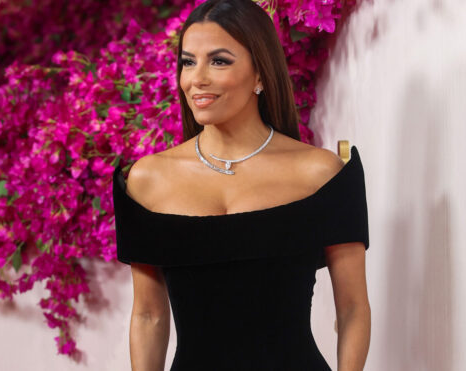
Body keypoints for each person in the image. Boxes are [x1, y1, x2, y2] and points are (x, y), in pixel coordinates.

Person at [112, 0, 371, 369]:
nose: (196, 78)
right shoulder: (148, 179)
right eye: (188, 62)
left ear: (261, 74)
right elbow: (149, 317)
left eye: (218, 61)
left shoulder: (320, 173)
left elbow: (352, 309)